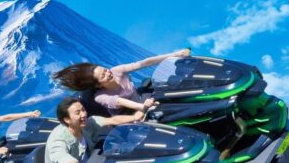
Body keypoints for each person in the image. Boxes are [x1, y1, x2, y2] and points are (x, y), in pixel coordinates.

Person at [53, 49, 191, 115]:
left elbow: (142, 63)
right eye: (103, 76)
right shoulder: (100, 96)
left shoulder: (116, 71)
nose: (108, 73)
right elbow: (120, 102)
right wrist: (142, 107)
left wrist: (173, 55)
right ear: (98, 84)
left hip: (143, 102)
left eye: (105, 70)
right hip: (129, 116)